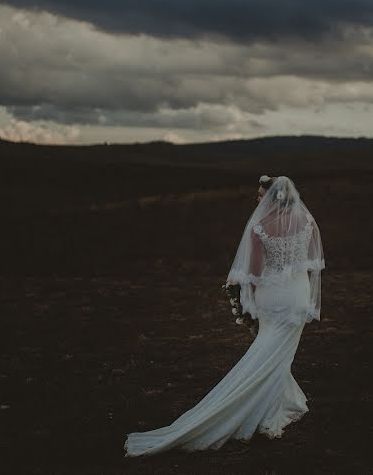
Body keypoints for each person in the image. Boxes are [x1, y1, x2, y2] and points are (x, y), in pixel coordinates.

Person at [124, 175, 325, 456]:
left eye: (260, 195)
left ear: (271, 198)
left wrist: (251, 299)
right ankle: (271, 405)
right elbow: (313, 260)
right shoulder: (308, 221)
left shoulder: (260, 227)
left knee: (268, 350)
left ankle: (264, 408)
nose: (257, 200)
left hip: (272, 295)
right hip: (298, 293)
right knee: (279, 352)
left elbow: (253, 273)